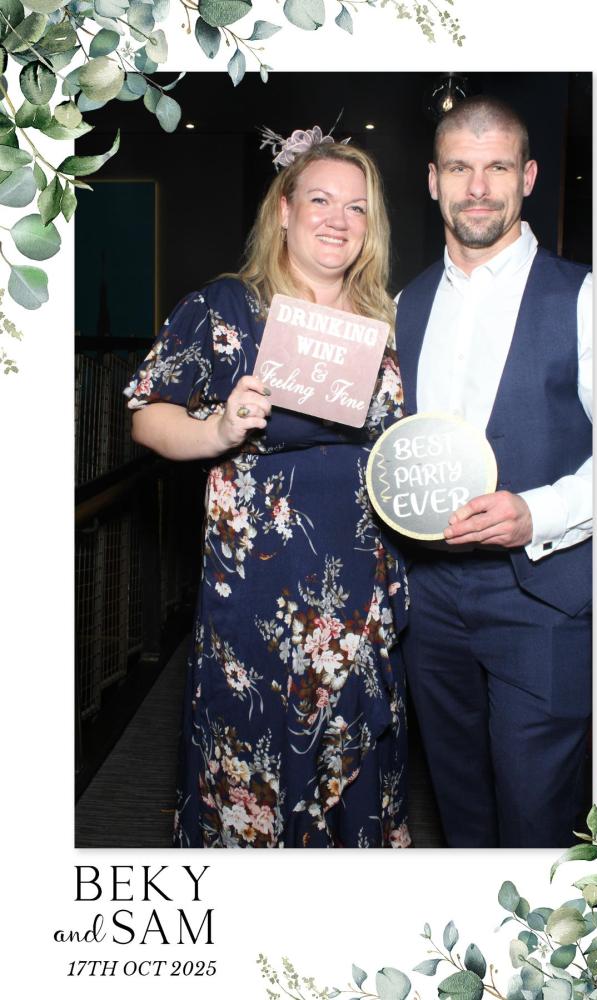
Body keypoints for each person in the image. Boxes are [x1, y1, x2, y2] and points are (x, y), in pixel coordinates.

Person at [123, 128, 410, 848]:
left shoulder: (388, 322)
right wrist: (219, 429)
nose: (338, 220)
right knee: (254, 770)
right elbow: (149, 416)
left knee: (354, 778)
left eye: (356, 207)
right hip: (258, 594)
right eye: (320, 200)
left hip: (359, 593)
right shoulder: (227, 307)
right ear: (283, 210)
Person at [395, 96, 592, 848]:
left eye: (497, 167)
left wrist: (538, 513)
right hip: (429, 599)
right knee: (460, 809)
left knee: (538, 816)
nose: (477, 188)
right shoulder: (404, 304)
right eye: (459, 168)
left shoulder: (586, 296)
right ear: (432, 181)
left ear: (528, 177)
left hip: (543, 597)